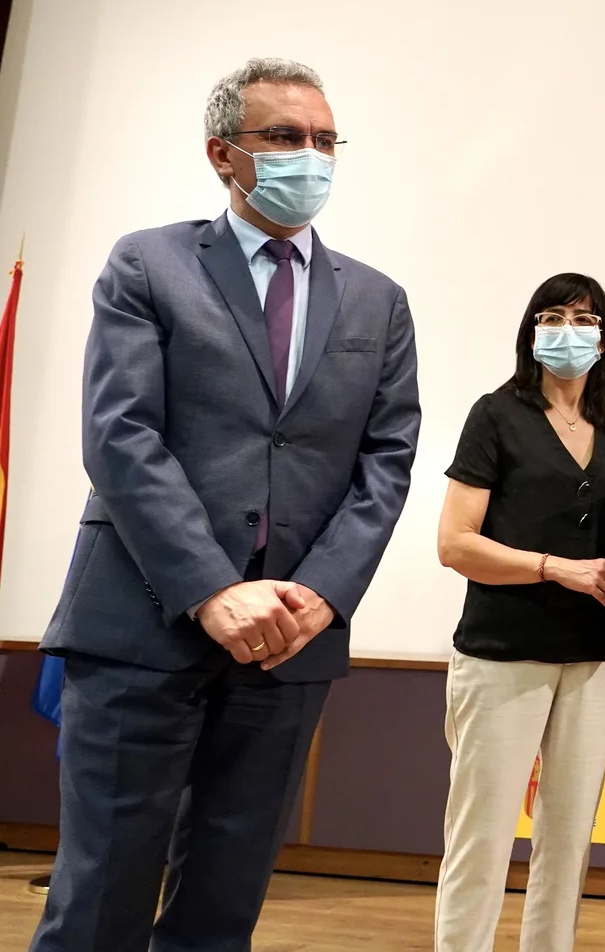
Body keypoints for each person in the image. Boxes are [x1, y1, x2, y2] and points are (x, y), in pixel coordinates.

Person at [33, 58, 421, 952]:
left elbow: (387, 458)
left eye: (325, 140)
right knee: (102, 894)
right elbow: (121, 434)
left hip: (290, 637)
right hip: (144, 620)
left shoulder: (377, 299)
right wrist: (212, 588)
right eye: (285, 137)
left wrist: (320, 593)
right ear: (222, 153)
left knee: (224, 898)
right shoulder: (149, 262)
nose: (310, 157)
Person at [433, 273, 605, 952]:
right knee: (485, 833)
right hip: (503, 653)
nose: (568, 329)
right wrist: (553, 566)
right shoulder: (496, 414)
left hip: (591, 657)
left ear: (604, 336)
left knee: (568, 837)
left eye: (583, 318)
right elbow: (454, 542)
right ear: (531, 331)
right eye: (552, 315)